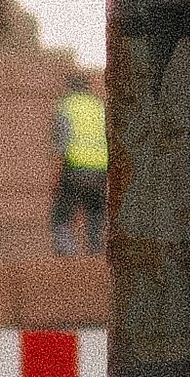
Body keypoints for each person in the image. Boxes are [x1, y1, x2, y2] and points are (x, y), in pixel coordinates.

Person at [49, 76, 106, 255]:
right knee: (96, 213)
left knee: (62, 216)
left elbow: (61, 144)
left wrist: (55, 176)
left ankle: (70, 259)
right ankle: (96, 258)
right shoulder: (99, 107)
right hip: (100, 170)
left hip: (74, 168)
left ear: (70, 88)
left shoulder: (66, 106)